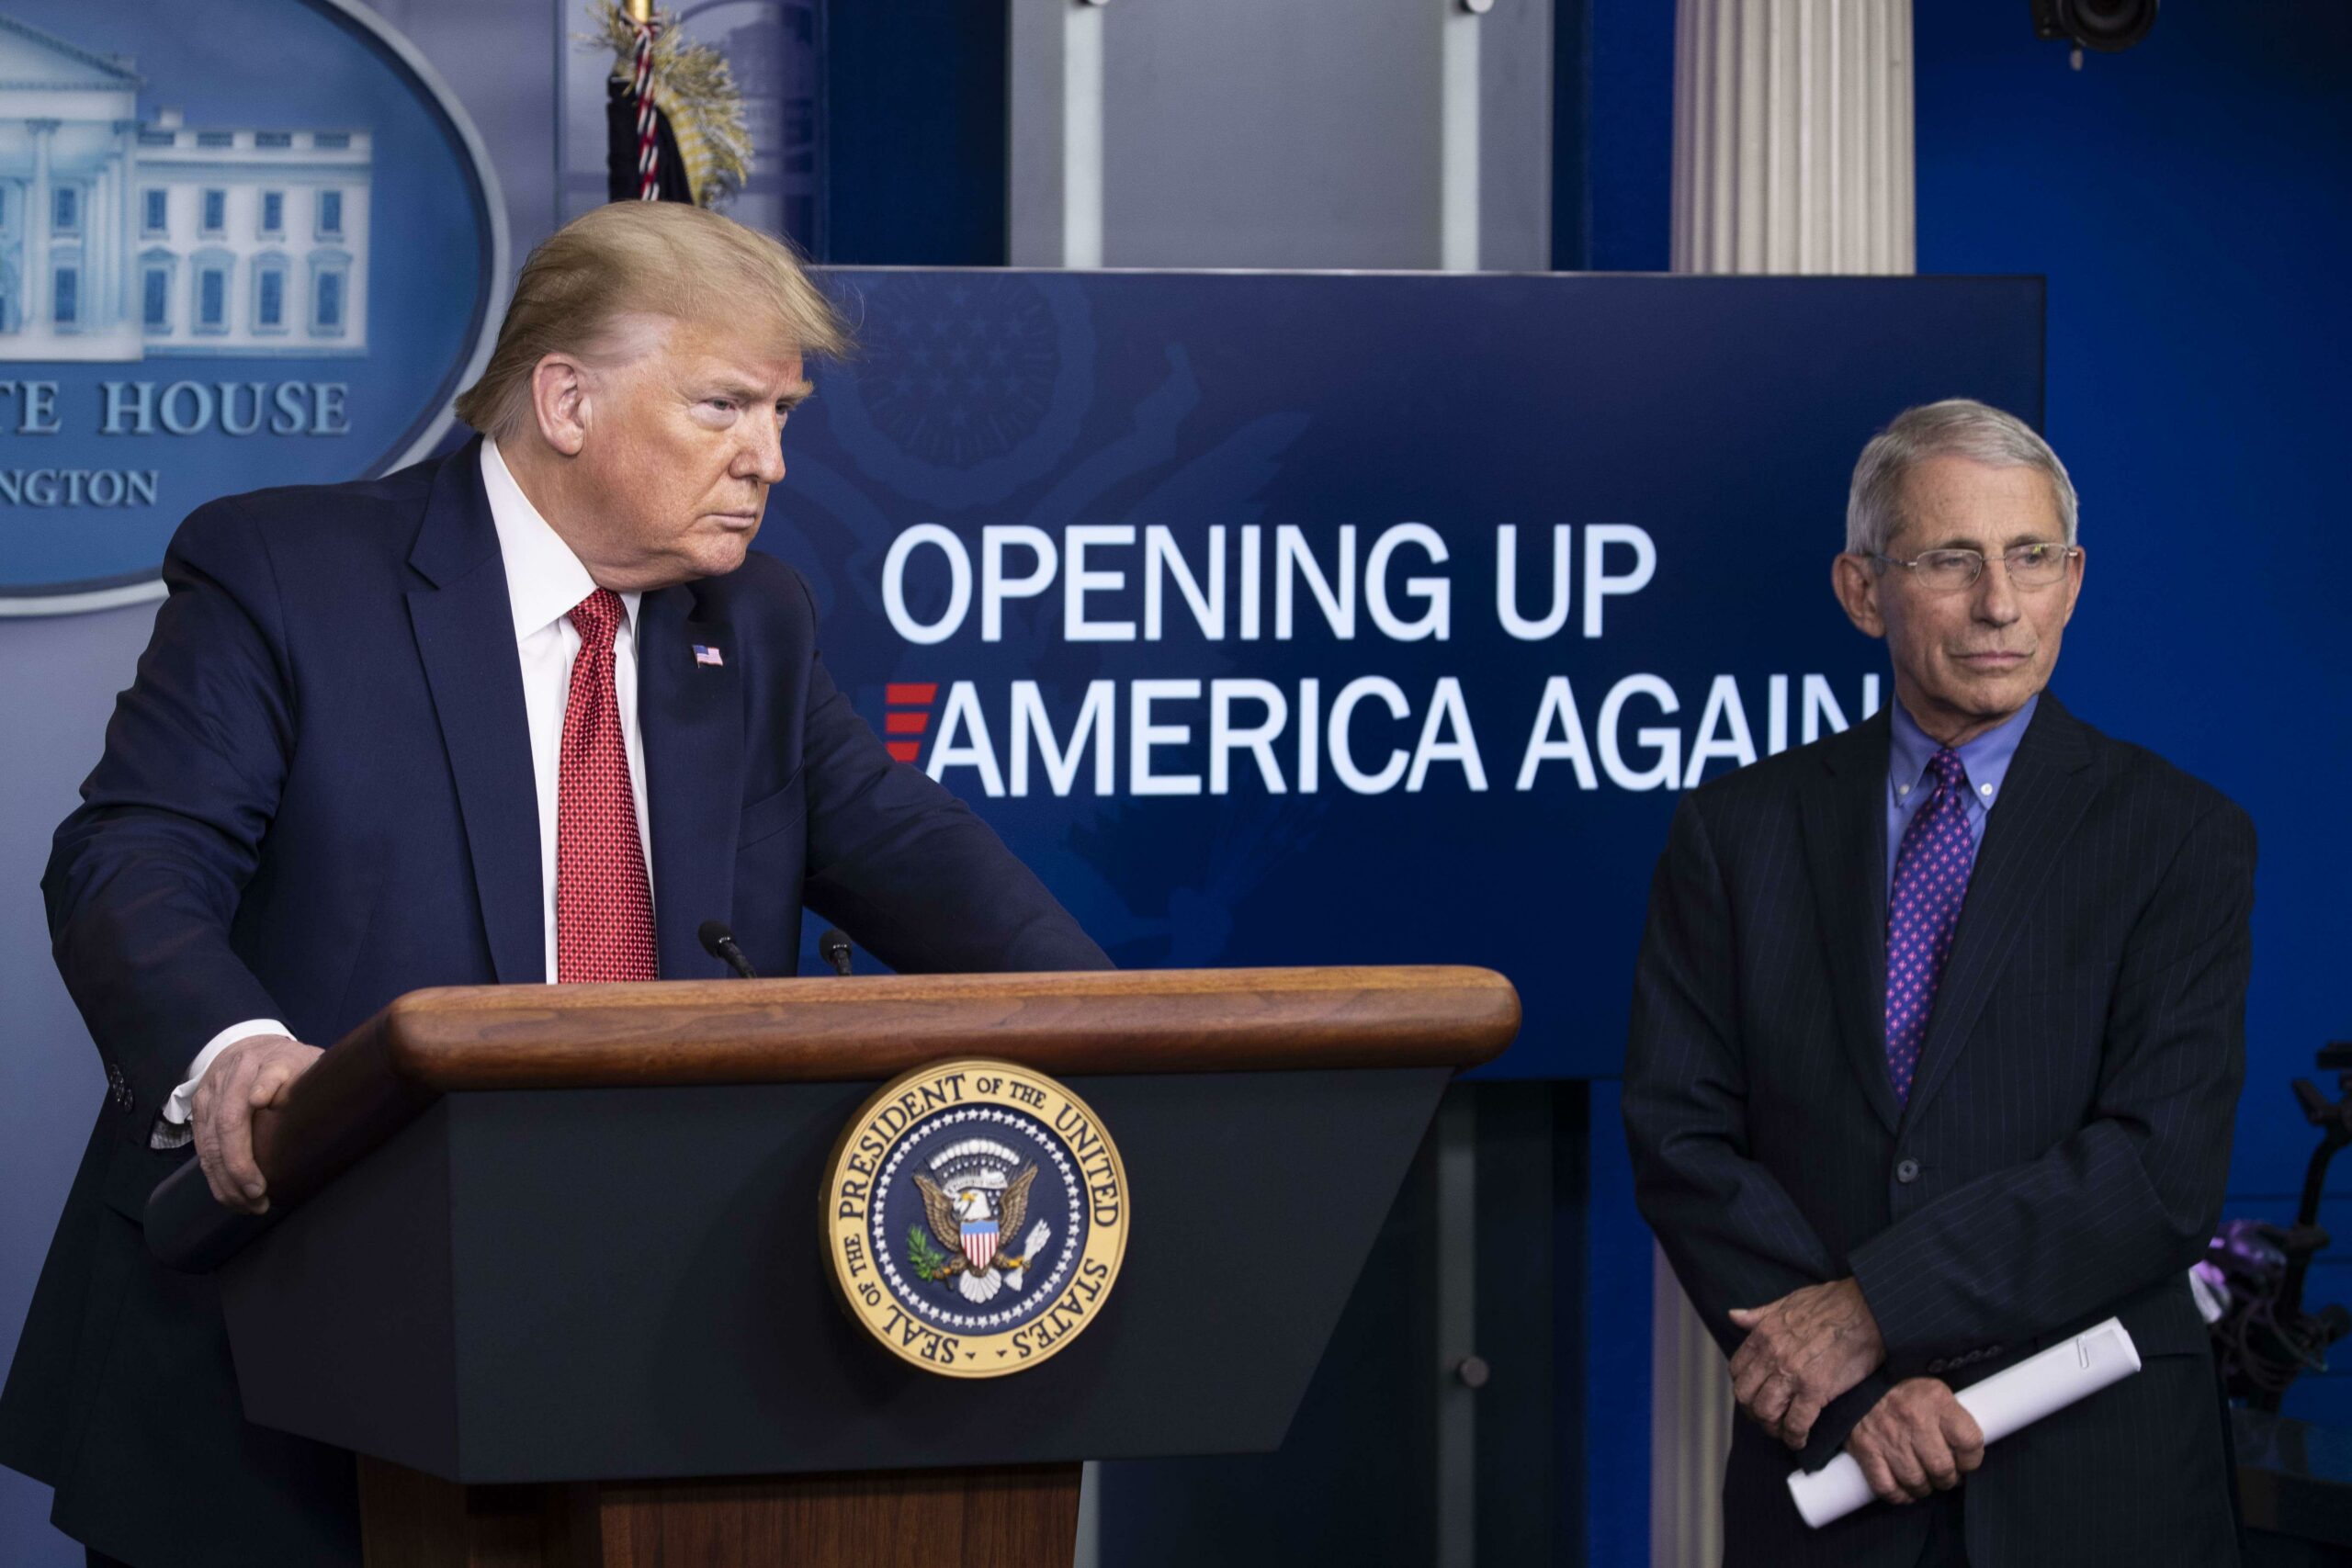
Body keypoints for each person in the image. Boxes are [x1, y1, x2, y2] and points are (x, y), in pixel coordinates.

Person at [0, 201, 1109, 1568]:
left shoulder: (751, 620)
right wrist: (231, 1051)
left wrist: (1119, 1037)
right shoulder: (289, 573)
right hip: (290, 1357)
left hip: (653, 1348)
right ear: (567, 399)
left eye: (783, 414)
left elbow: (915, 851)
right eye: (724, 406)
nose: (767, 459)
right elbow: (130, 853)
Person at [1623, 399, 2252, 1565]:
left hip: (2099, 1484)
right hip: (1828, 1472)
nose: (1999, 605)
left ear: (2073, 580)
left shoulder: (2180, 836)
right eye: (1950, 561)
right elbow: (1682, 1135)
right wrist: (1850, 1392)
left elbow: (2159, 1170)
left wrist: (1874, 1308)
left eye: (2030, 560)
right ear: (1862, 590)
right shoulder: (1736, 831)